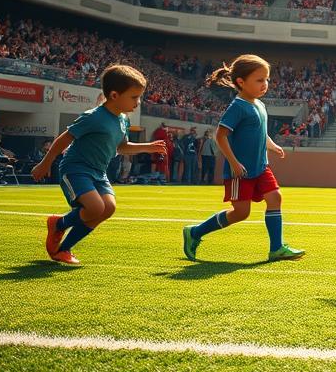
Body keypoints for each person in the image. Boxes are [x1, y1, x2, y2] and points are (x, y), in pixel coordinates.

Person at [32, 65, 167, 264]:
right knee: (95, 208)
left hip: (98, 173)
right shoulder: (93, 117)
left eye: (139, 97)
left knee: (108, 208)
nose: (138, 103)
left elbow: (121, 146)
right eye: (134, 97)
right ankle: (58, 223)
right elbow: (64, 138)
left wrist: (148, 147)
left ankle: (64, 249)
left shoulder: (123, 120)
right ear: (114, 95)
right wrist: (45, 164)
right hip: (76, 169)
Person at [181, 55, 304, 262]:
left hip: (261, 166)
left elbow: (260, 132)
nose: (264, 84)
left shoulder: (260, 105)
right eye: (259, 80)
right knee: (240, 213)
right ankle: (194, 232)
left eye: (266, 79)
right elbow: (220, 135)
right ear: (241, 82)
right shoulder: (237, 106)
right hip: (241, 171)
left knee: (275, 198)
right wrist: (233, 162)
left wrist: (272, 146)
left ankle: (277, 248)